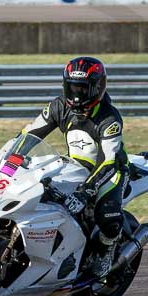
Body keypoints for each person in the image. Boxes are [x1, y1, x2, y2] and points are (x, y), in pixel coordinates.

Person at [21, 56, 129, 277]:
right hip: (74, 166)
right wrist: (10, 156)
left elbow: (109, 161)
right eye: (72, 87)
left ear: (97, 87)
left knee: (106, 214)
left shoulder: (109, 119)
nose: (77, 94)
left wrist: (86, 191)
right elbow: (31, 134)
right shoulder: (58, 106)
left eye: (83, 88)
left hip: (110, 172)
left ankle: (107, 250)